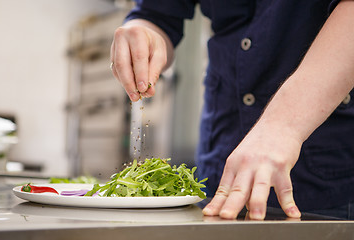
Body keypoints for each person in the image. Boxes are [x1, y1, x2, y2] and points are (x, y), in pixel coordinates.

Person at [110, 0, 354, 220]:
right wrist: (145, 31)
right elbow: (158, 14)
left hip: (324, 173)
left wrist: (284, 124)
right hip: (220, 152)